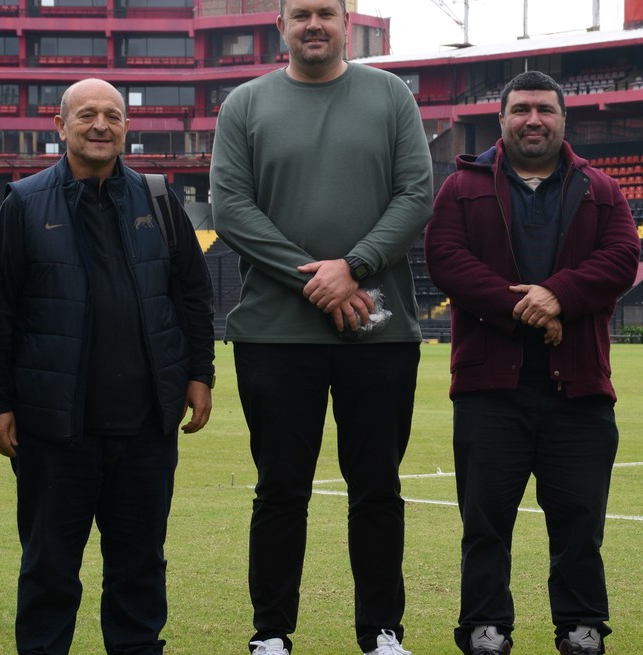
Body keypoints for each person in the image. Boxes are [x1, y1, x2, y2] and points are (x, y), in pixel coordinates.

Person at [209, 0, 433, 653]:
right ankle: (271, 632)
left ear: (346, 24)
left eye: (325, 13)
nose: (313, 23)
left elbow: (415, 195)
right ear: (281, 25)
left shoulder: (391, 96)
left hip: (380, 336)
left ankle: (382, 629)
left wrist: (356, 264)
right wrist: (321, 278)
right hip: (274, 335)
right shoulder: (244, 105)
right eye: (300, 13)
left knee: (378, 488)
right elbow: (231, 208)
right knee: (280, 487)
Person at [0, 78, 215, 655]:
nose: (101, 125)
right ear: (61, 126)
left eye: (113, 115)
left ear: (126, 127)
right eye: (86, 115)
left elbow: (193, 297)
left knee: (139, 568)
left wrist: (199, 374)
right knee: (49, 569)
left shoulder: (158, 199)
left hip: (146, 425)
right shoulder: (24, 202)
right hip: (54, 428)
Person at [424, 70, 641, 655]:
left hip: (579, 387)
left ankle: (581, 624)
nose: (533, 119)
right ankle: (485, 626)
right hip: (489, 388)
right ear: (501, 119)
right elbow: (446, 259)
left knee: (579, 521)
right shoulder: (461, 186)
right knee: (486, 522)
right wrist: (525, 306)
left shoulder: (601, 188)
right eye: (521, 109)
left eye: (545, 109)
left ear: (563, 119)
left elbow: (623, 257)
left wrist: (558, 296)